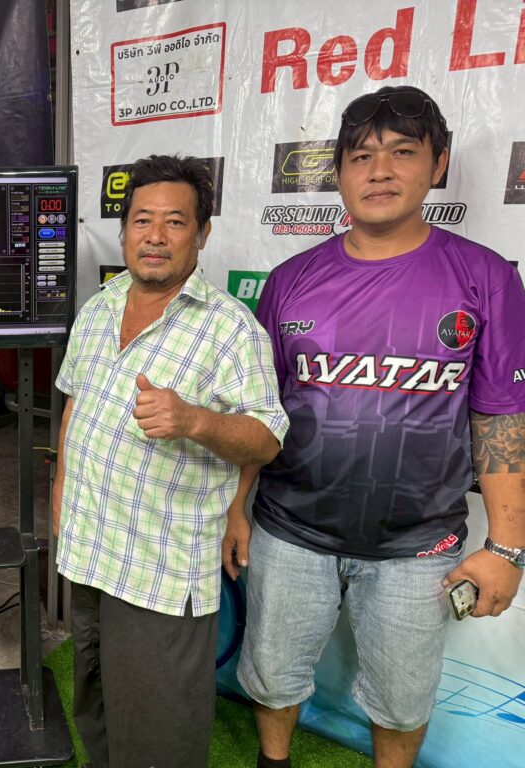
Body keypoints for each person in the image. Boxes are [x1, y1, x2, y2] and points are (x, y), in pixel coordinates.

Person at [227, 85, 525, 768]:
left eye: (402, 152)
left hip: (418, 545)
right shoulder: (290, 280)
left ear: (437, 163)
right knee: (272, 675)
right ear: (339, 172)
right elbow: (260, 411)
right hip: (290, 528)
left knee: (402, 700)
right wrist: (237, 505)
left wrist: (507, 547)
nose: (380, 171)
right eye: (361, 156)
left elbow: (501, 417)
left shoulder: (485, 279)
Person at [52, 154, 289, 767]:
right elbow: (75, 406)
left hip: (159, 569)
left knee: (158, 736)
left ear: (202, 234)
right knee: (97, 709)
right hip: (89, 551)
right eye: (142, 220)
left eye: (175, 222)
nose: (155, 236)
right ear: (124, 230)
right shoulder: (99, 308)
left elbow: (266, 438)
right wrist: (60, 500)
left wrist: (194, 421)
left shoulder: (231, 329)